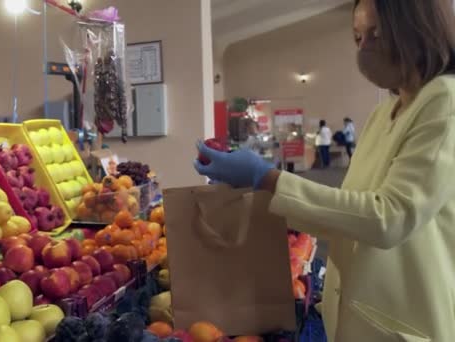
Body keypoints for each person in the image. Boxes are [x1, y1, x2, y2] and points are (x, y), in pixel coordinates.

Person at [194, 0, 455, 341]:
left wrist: (268, 178)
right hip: (358, 309)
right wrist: (256, 195)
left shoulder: (444, 101)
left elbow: (390, 217)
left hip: (406, 313)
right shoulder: (387, 110)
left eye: (375, 35)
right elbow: (348, 209)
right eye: (357, 38)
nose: (364, 50)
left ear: (414, 28)